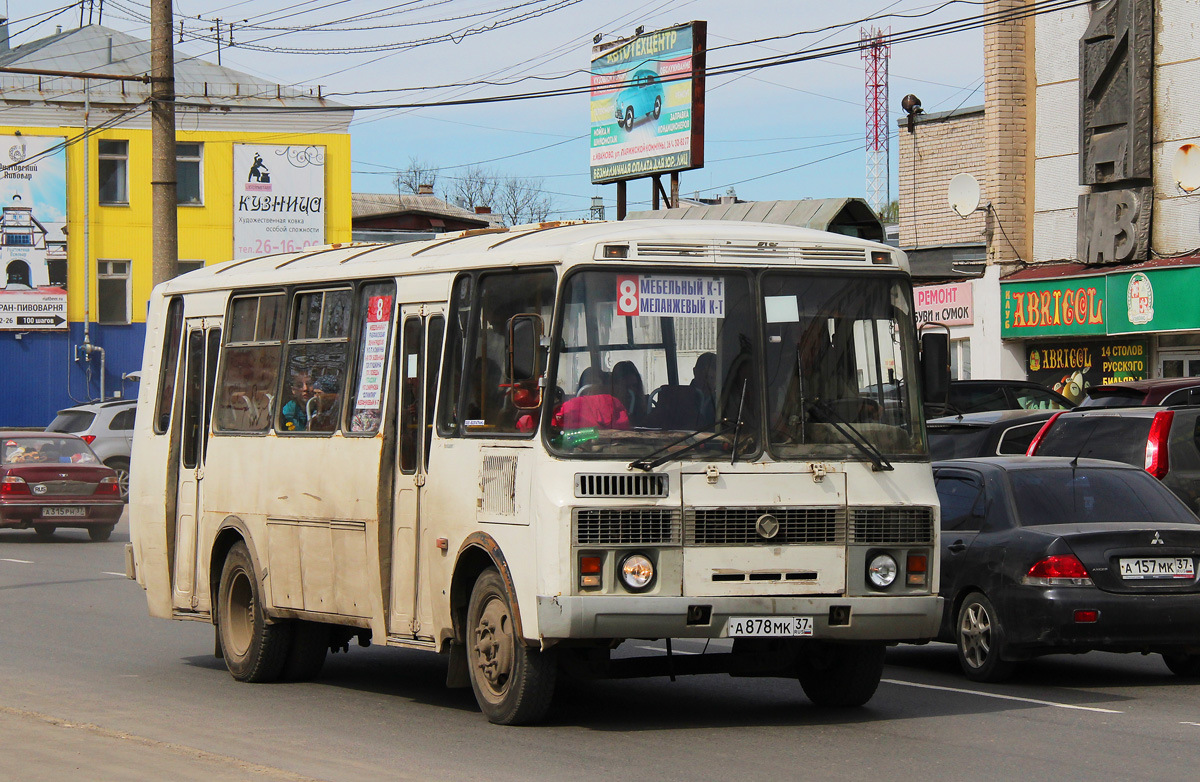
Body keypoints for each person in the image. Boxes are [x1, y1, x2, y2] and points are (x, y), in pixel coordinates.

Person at [690, 352, 717, 423]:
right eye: (704, 377)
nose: (707, 383)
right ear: (695, 372)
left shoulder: (723, 401)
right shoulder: (679, 397)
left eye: (712, 378)